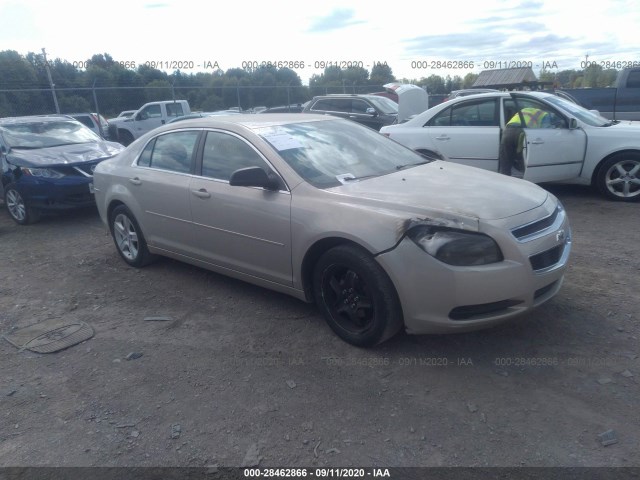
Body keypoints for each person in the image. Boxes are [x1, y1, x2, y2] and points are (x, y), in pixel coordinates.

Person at [498, 107, 550, 176]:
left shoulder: (525, 109)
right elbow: (546, 130)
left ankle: (505, 180)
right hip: (522, 133)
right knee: (523, 158)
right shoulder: (544, 114)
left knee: (506, 160)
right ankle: (524, 181)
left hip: (508, 131)